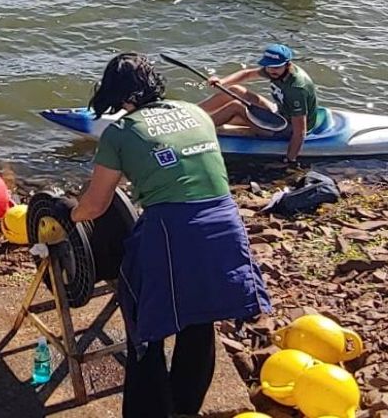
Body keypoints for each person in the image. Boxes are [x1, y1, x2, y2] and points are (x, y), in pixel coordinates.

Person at [69, 52, 271, 418]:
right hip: (226, 225)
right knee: (199, 316)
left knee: (143, 319)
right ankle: (184, 408)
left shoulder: (120, 132)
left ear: (115, 93)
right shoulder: (195, 113)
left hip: (174, 229)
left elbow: (97, 205)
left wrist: (70, 216)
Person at [198, 43, 323, 164]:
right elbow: (247, 74)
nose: (271, 70)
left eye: (276, 67)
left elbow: (300, 131)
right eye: (269, 66)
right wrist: (221, 81)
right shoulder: (275, 70)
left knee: (236, 107)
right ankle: (191, 112)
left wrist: (290, 160)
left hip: (285, 128)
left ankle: (196, 128)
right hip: (279, 113)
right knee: (236, 90)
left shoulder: (296, 89)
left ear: (288, 65)